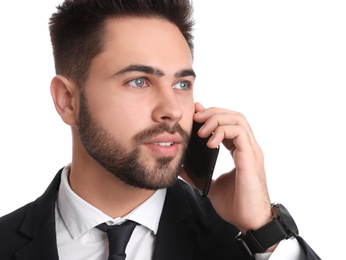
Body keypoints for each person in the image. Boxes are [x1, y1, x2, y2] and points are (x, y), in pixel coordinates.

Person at [0, 0, 320, 259]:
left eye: (182, 84)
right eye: (139, 81)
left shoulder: (245, 245)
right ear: (68, 100)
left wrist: (266, 232)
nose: (172, 110)